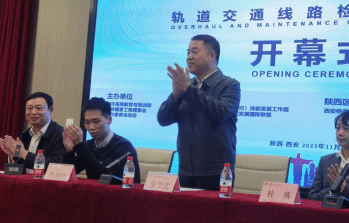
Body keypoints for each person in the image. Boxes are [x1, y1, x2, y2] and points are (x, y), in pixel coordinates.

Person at [157, 34, 240, 190]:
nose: (189, 57)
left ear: (211, 56)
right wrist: (175, 96)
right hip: (185, 171)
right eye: (188, 52)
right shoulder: (186, 86)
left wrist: (188, 89)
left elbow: (219, 112)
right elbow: (163, 119)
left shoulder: (230, 85)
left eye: (194, 52)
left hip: (217, 173)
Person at [63, 97, 140, 183]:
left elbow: (102, 177)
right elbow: (69, 173)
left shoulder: (123, 146)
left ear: (109, 120)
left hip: (122, 191)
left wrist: (80, 146)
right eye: (87, 122)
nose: (91, 127)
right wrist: (69, 151)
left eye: (96, 121)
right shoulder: (89, 145)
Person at [0, 92, 65, 173]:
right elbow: (18, 168)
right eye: (29, 108)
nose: (33, 112)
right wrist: (13, 156)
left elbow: (58, 167)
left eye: (38, 108)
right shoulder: (24, 135)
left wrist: (24, 154)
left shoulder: (61, 134)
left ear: (50, 110)